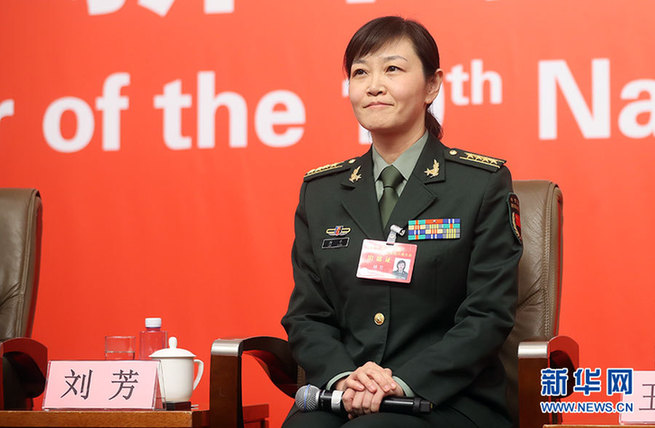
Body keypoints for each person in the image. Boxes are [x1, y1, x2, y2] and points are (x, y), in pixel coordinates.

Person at [281, 16, 523, 428]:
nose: (374, 85)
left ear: (432, 85)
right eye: (361, 72)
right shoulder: (321, 193)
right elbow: (308, 316)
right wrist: (344, 378)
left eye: (392, 69)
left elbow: (487, 315)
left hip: (449, 398)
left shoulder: (479, 184)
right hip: (345, 392)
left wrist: (403, 383)